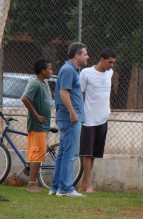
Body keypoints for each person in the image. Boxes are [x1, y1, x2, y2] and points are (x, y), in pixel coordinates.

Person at [49, 42, 89, 197]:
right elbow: (64, 93)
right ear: (77, 55)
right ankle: (65, 189)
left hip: (68, 118)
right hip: (70, 118)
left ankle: (56, 187)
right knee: (70, 154)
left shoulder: (70, 70)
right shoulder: (68, 70)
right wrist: (73, 113)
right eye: (85, 54)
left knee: (64, 152)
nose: (87, 57)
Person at [79, 48, 117, 192]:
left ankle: (84, 183)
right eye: (109, 62)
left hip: (103, 118)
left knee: (94, 153)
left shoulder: (110, 73)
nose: (111, 65)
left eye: (113, 63)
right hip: (89, 119)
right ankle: (88, 184)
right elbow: (80, 94)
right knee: (87, 153)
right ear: (101, 59)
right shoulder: (86, 73)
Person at [21, 59, 52, 192]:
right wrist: (36, 115)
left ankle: (33, 183)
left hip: (42, 126)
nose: (51, 71)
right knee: (37, 154)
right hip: (37, 126)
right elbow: (25, 99)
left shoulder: (43, 84)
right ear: (42, 71)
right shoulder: (35, 84)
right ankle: (31, 184)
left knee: (39, 153)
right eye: (49, 69)